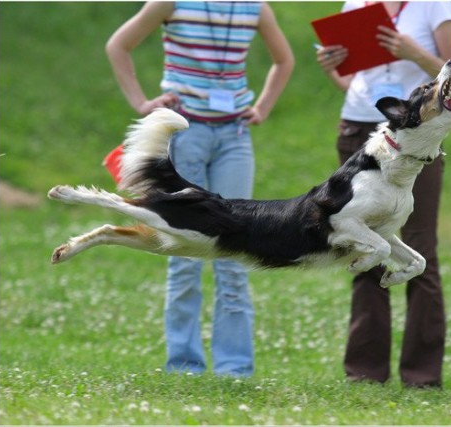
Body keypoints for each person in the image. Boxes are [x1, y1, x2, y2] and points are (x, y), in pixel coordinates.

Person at [106, 1, 294, 376]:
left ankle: (235, 369)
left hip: (234, 136)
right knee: (181, 250)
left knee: (238, 246)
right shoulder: (171, 3)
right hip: (184, 133)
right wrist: (142, 103)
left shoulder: (255, 8)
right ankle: (183, 364)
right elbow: (118, 45)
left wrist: (263, 106)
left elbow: (284, 60)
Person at [316, 1, 451, 388]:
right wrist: (334, 66)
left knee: (420, 251)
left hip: (416, 142)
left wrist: (411, 52)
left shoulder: (434, 6)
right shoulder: (356, 4)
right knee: (363, 249)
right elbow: (354, 83)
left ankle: (422, 377)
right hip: (359, 133)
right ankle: (365, 375)